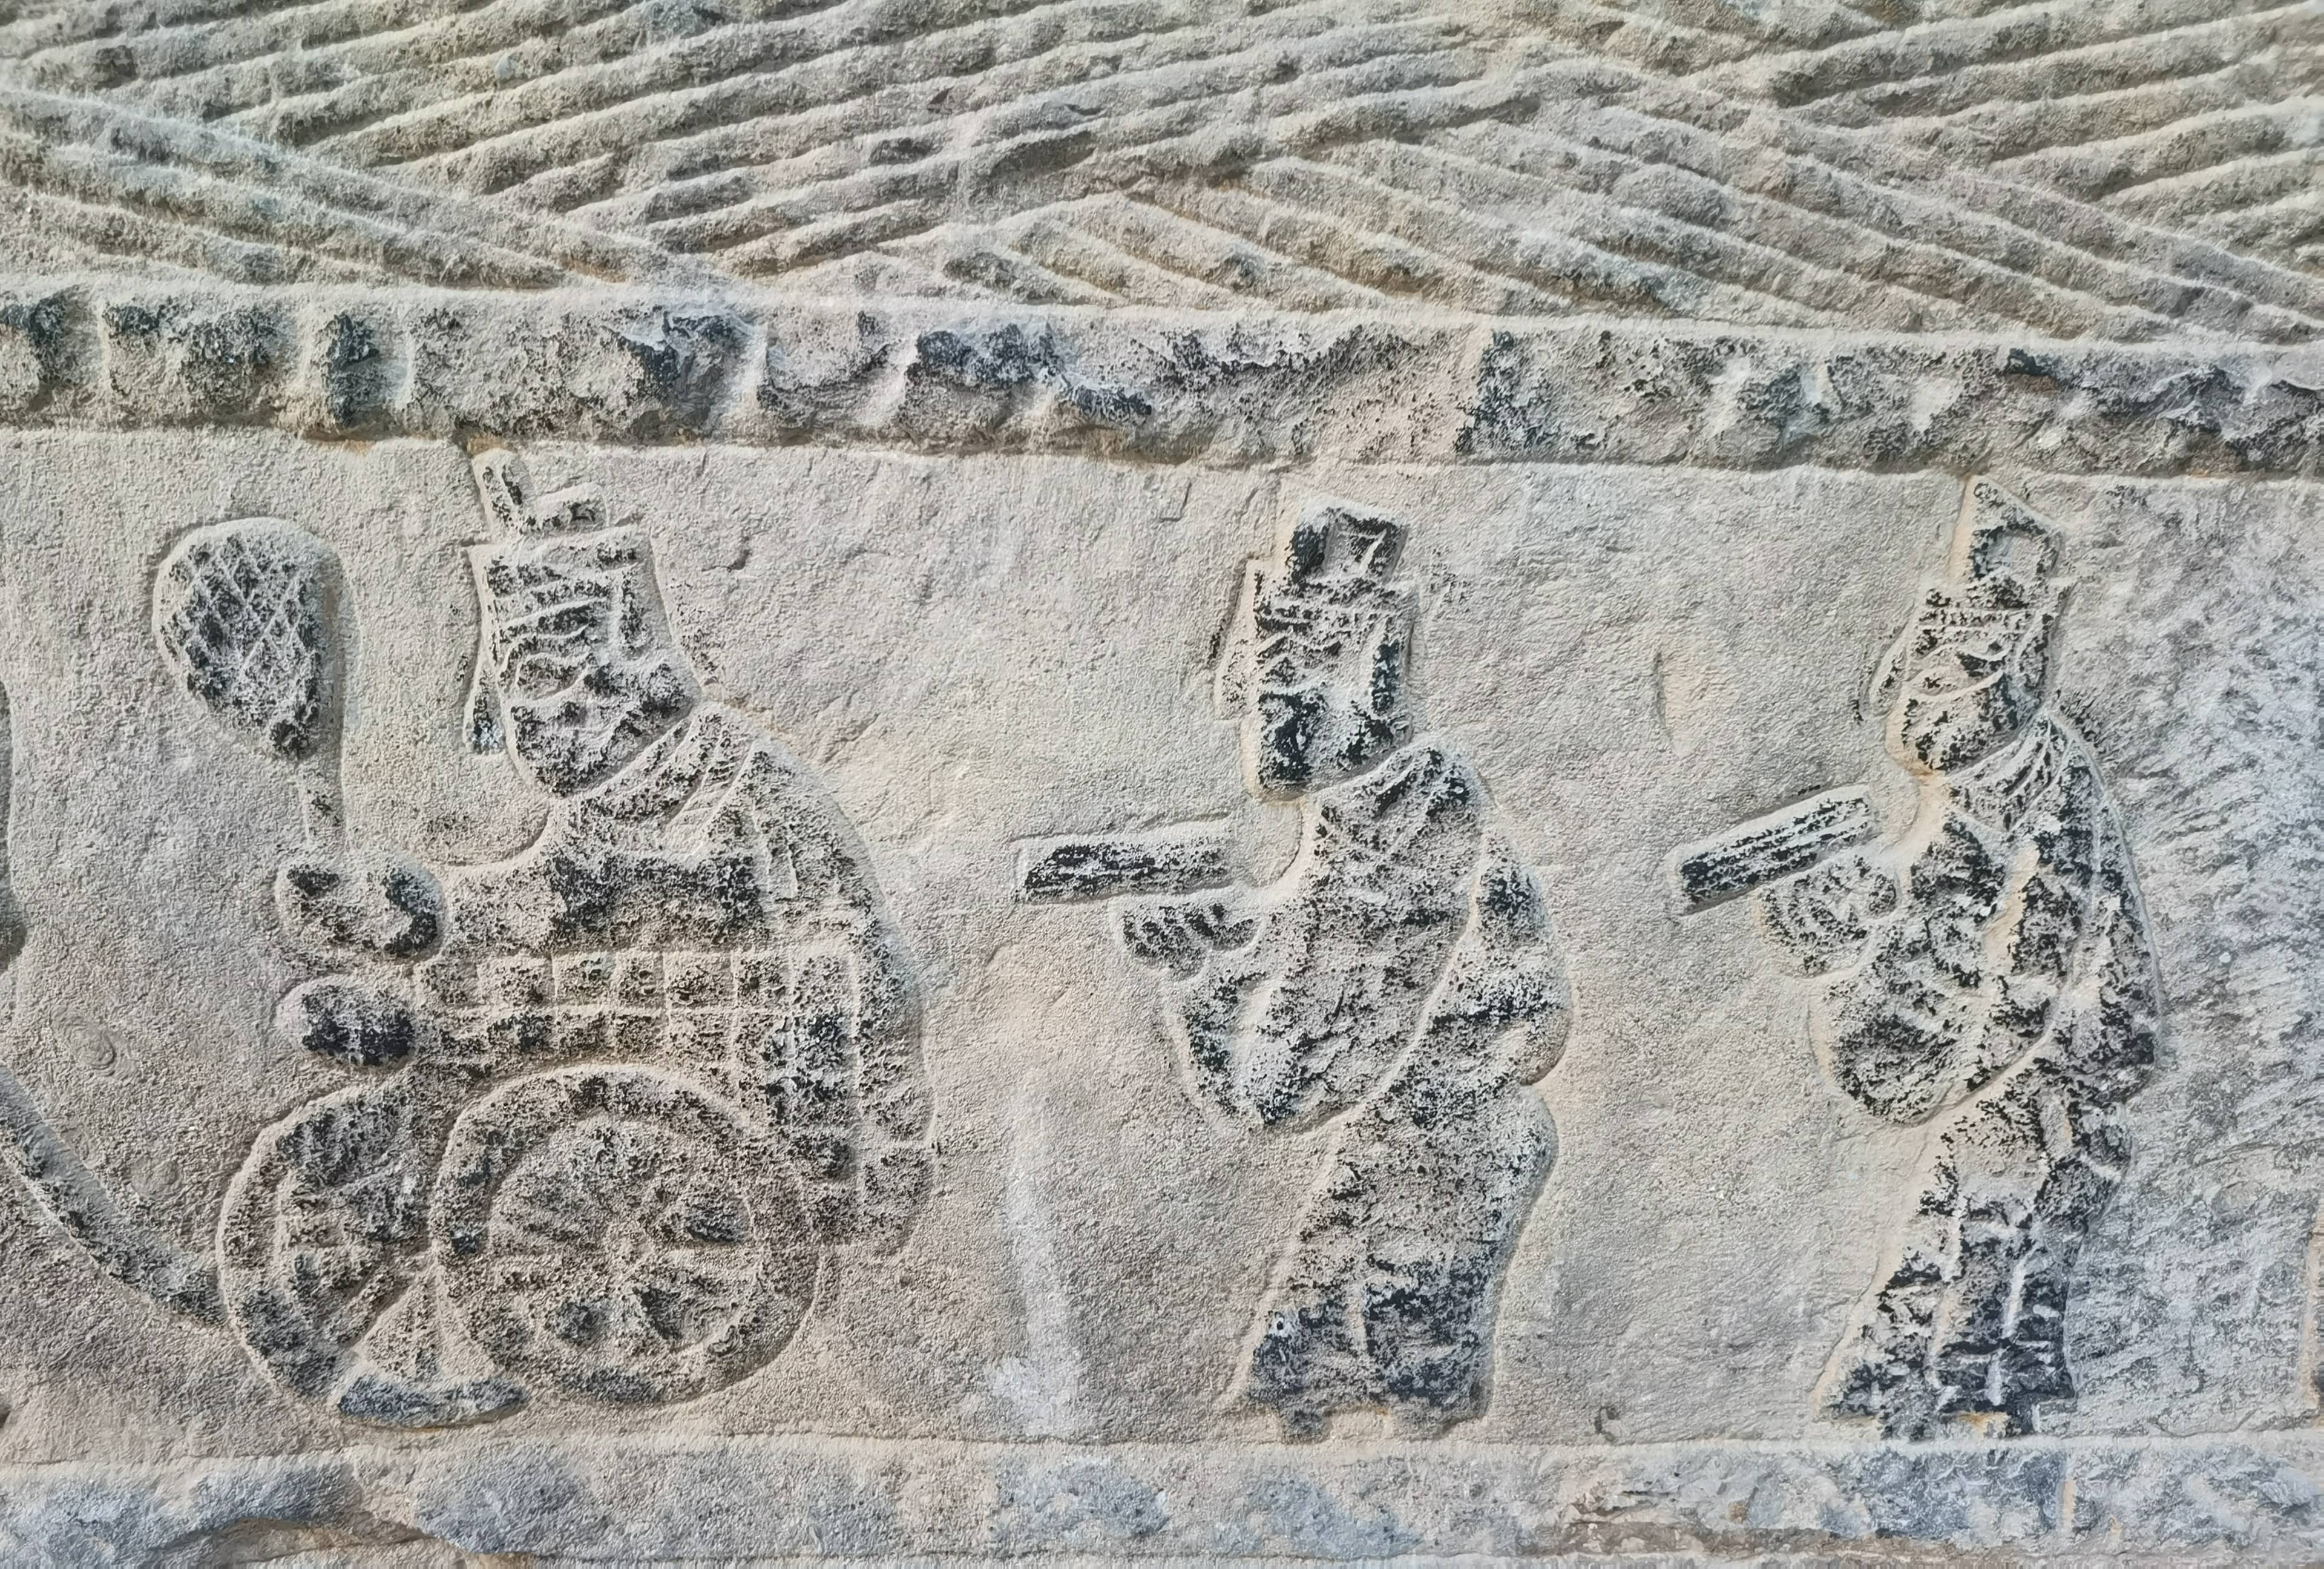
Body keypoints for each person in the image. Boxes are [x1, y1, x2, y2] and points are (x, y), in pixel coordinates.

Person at [229, 449, 928, 1425]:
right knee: (427, 1019)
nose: (527, 720)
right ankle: (372, 1207)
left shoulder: (725, 776)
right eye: (514, 688)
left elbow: (710, 899)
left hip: (765, 1048)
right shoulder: (621, 791)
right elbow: (549, 890)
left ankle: (391, 1223)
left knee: (456, 1030)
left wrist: (888, 1124)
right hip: (624, 1032)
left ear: (626, 662)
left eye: (547, 678)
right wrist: (417, 911)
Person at [1118, 499, 1571, 1438]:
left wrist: (1199, 992)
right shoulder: (1382, 809)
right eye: (1266, 684)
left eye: (1291, 684)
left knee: (1390, 1416)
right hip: (1409, 1164)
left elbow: (1291, 1085)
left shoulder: (1411, 821)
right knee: (1316, 1399)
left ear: (1366, 677)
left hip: (1430, 1190)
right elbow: (1309, 935)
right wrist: (1225, 944)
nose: (1269, 715)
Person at [1754, 478, 2161, 1438]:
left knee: (1999, 1167)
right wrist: (1839, 921)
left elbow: (2041, 973)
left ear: (2022, 663)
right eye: (1926, 666)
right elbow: (1928, 895)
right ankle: (1942, 1374)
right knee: (1981, 1165)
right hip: (1996, 1059)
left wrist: (1893, 966)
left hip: (2068, 1059)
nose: (1926, 694)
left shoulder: (2054, 792)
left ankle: (1968, 1373)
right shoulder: (1984, 786)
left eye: (1959, 668)